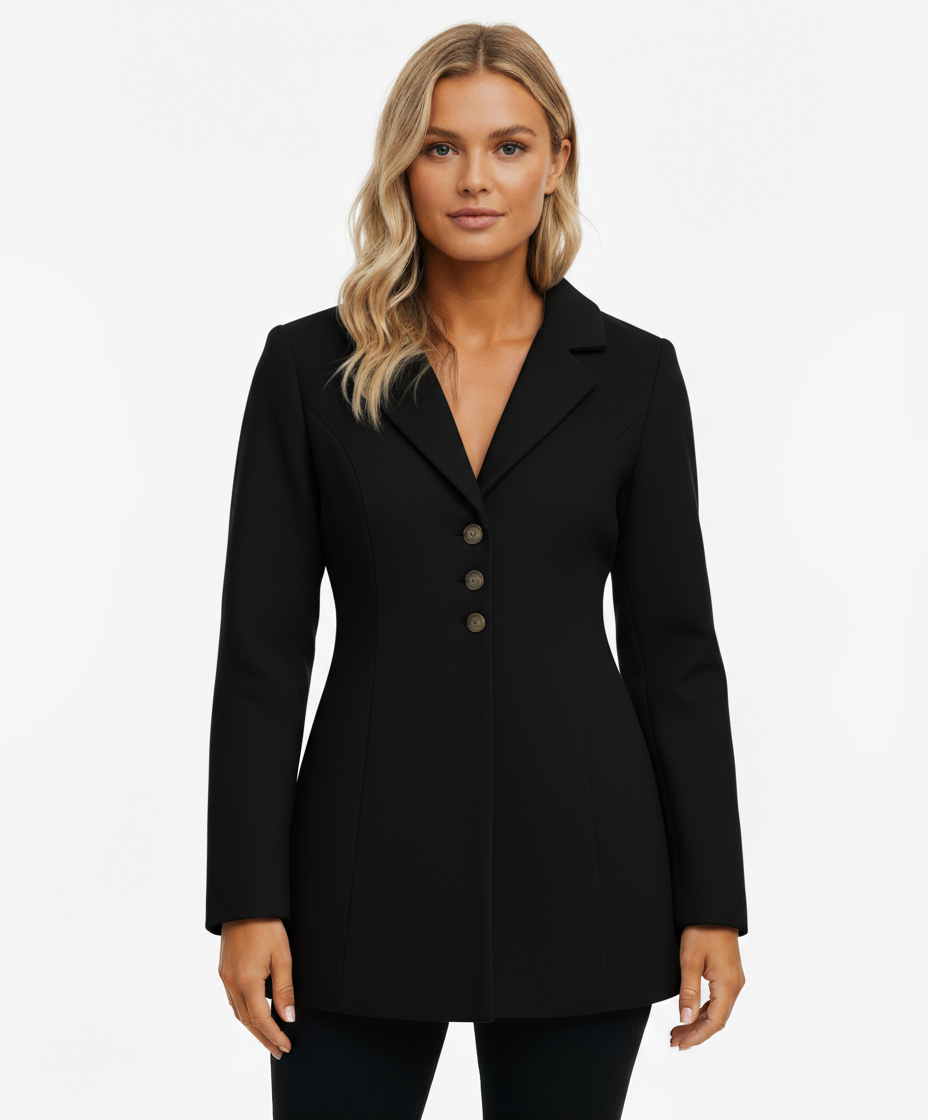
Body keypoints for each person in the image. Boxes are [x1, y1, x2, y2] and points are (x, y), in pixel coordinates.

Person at [205, 21, 748, 1120]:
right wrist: (247, 899)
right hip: (357, 870)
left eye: (508, 146)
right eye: (441, 147)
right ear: (401, 164)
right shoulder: (308, 369)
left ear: (556, 162)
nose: (474, 180)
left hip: (587, 864)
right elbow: (262, 655)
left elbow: (675, 655)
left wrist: (713, 901)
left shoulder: (636, 376)